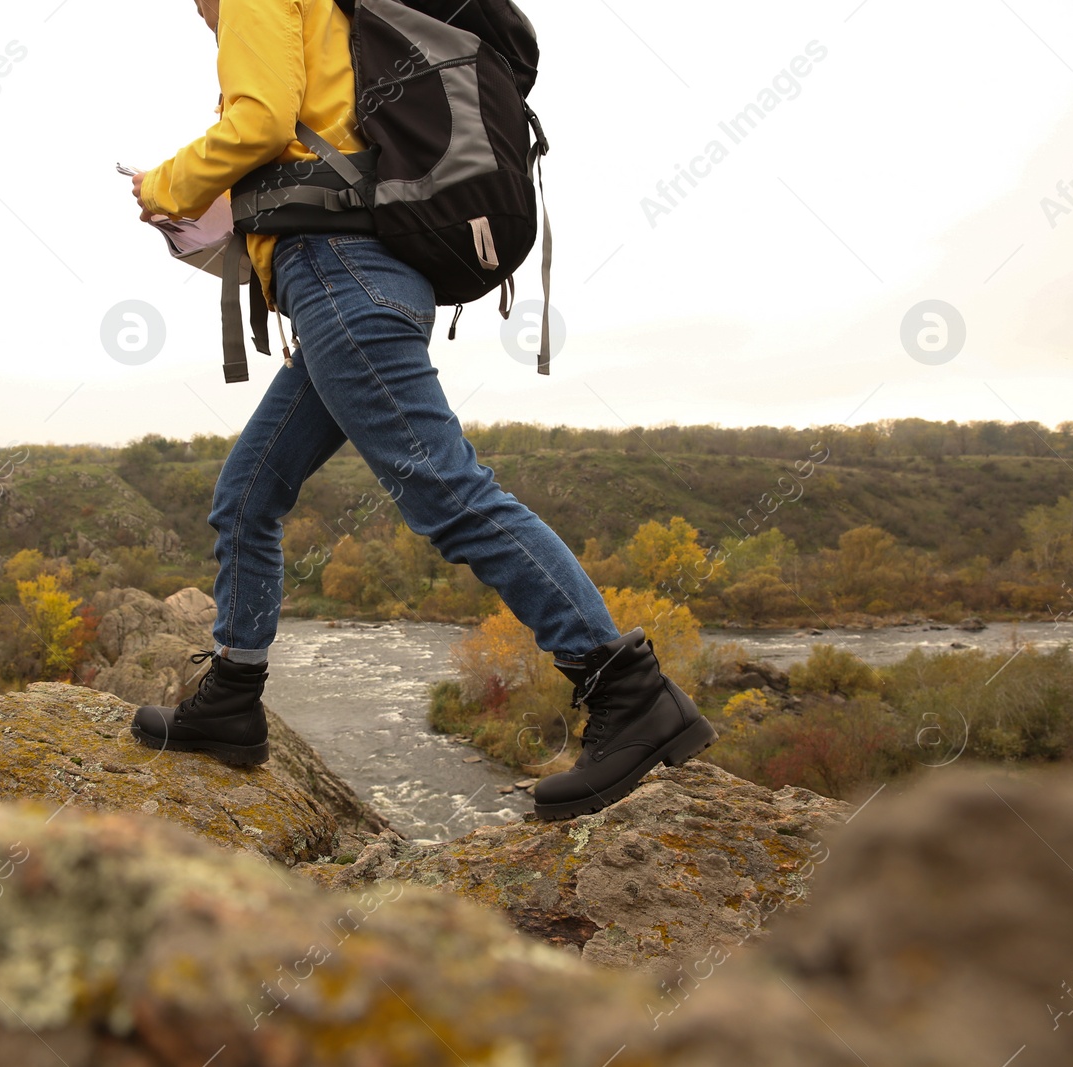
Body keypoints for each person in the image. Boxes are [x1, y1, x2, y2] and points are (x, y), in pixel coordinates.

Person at [127, 0, 715, 819]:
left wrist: (163, 184)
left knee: (447, 491)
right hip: (356, 275)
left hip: (339, 271)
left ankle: (631, 691)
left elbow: (260, 123)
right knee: (249, 494)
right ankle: (231, 697)